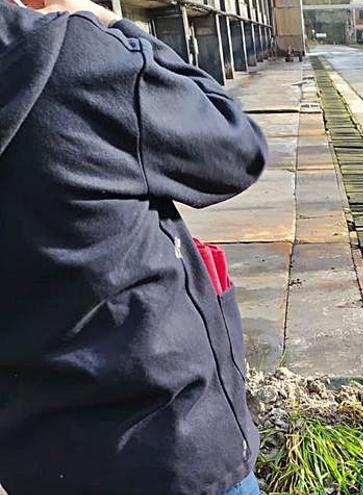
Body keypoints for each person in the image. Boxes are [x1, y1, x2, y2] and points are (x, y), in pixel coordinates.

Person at [0, 0, 267, 493]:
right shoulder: (72, 58)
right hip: (172, 450)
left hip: (34, 461)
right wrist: (116, 27)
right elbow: (236, 147)